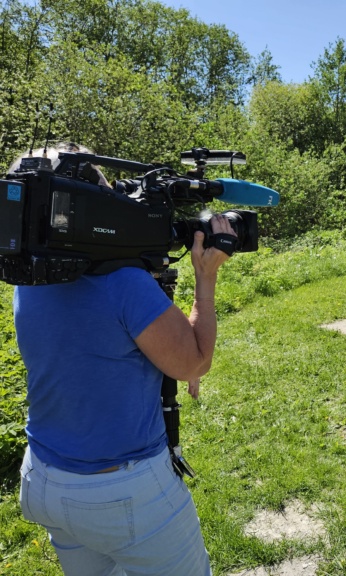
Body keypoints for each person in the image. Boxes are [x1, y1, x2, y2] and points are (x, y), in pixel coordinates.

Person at [13, 143, 234, 575]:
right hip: (122, 491)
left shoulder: (31, 279)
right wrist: (205, 277)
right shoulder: (123, 283)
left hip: (43, 476)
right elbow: (193, 363)